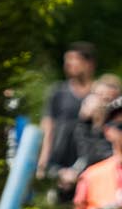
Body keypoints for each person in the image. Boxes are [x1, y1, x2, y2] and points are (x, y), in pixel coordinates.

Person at [41, 42, 97, 190]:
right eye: (67, 60)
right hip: (59, 162)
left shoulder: (99, 94)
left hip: (91, 161)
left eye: (74, 59)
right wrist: (43, 161)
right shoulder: (58, 92)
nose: (68, 64)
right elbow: (48, 127)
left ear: (89, 64)